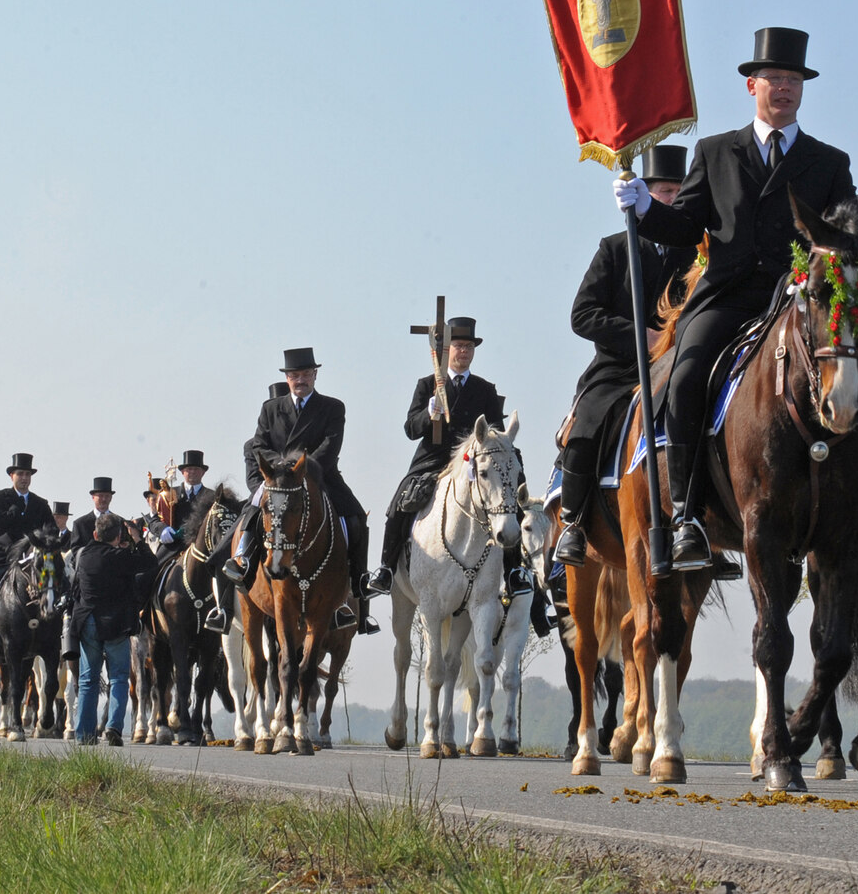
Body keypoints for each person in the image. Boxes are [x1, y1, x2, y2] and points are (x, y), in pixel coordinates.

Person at [614, 27, 858, 568]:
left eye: (794, 80)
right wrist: (646, 211)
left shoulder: (829, 161)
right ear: (752, 85)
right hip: (727, 298)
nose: (785, 88)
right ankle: (686, 517)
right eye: (775, 78)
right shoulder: (715, 151)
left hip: (804, 299)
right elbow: (685, 227)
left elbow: (848, 231)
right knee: (685, 376)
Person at [553, 149, 734, 576]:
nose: (672, 199)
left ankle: (710, 528)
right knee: (587, 427)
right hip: (618, 368)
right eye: (664, 191)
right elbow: (582, 315)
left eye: (678, 192)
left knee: (710, 422)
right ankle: (574, 521)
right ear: (643, 195)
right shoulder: (615, 249)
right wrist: (641, 335)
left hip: (679, 362)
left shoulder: (697, 253)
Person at [203, 348, 376, 635]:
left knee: (356, 519)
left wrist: (301, 468)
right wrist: (282, 469)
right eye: (294, 375)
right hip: (277, 481)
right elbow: (258, 445)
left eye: (306, 374)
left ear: (315, 375)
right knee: (249, 515)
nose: (300, 380)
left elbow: (330, 447)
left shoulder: (333, 407)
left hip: (320, 478)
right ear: (287, 378)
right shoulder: (270, 408)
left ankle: (358, 585)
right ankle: (240, 562)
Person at [365, 317, 532, 596]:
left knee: (509, 497)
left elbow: (497, 434)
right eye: (458, 345)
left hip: (475, 461)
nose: (463, 351)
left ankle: (514, 570)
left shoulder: (484, 389)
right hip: (433, 459)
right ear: (446, 350)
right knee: (399, 502)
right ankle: (385, 568)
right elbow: (410, 428)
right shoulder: (427, 384)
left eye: (468, 346)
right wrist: (429, 415)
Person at [70, 512, 155, 746]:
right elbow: (150, 563)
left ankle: (84, 734)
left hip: (87, 621)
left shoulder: (84, 555)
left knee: (88, 680)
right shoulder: (122, 557)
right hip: (116, 623)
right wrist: (137, 539)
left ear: (95, 534)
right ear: (118, 536)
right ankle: (113, 727)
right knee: (118, 677)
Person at [0, 454, 55, 653]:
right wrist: (12, 513)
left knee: (54, 579)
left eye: (27, 474)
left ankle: (56, 629)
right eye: (20, 474)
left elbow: (51, 528)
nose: (24, 478)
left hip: (30, 555)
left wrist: (41, 539)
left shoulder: (40, 503)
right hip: (2, 553)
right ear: (12, 476)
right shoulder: (1, 497)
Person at [71, 478, 118, 544]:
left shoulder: (119, 522)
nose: (104, 499)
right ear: (93, 497)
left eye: (107, 496)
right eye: (100, 496)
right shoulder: (80, 524)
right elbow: (75, 549)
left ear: (111, 498)